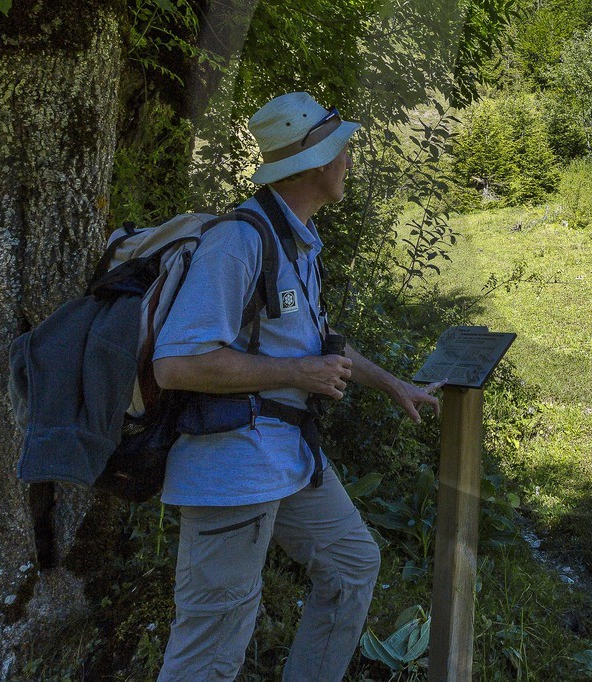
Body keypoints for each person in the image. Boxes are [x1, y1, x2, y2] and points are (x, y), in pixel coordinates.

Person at [151, 92, 443, 681]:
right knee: (213, 642)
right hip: (231, 468)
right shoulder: (239, 242)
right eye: (342, 152)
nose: (348, 163)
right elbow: (176, 364)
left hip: (287, 457)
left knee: (353, 565)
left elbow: (318, 343)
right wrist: (294, 374)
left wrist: (394, 386)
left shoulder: (299, 243)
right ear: (314, 165)